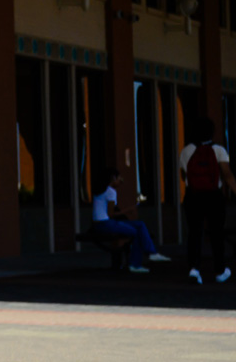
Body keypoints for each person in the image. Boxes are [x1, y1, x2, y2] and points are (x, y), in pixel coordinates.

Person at [179, 117, 234, 284]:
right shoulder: (218, 150)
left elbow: (183, 175)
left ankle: (194, 270)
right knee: (217, 233)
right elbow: (227, 175)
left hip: (192, 195)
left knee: (195, 232)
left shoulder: (186, 150)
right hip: (213, 195)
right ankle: (220, 271)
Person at [89, 167, 168, 273]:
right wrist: (128, 210)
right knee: (136, 232)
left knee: (139, 225)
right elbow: (111, 214)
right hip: (106, 224)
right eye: (119, 178)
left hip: (99, 224)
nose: (121, 180)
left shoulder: (99, 190)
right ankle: (137, 262)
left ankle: (151, 253)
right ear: (113, 178)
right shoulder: (111, 192)